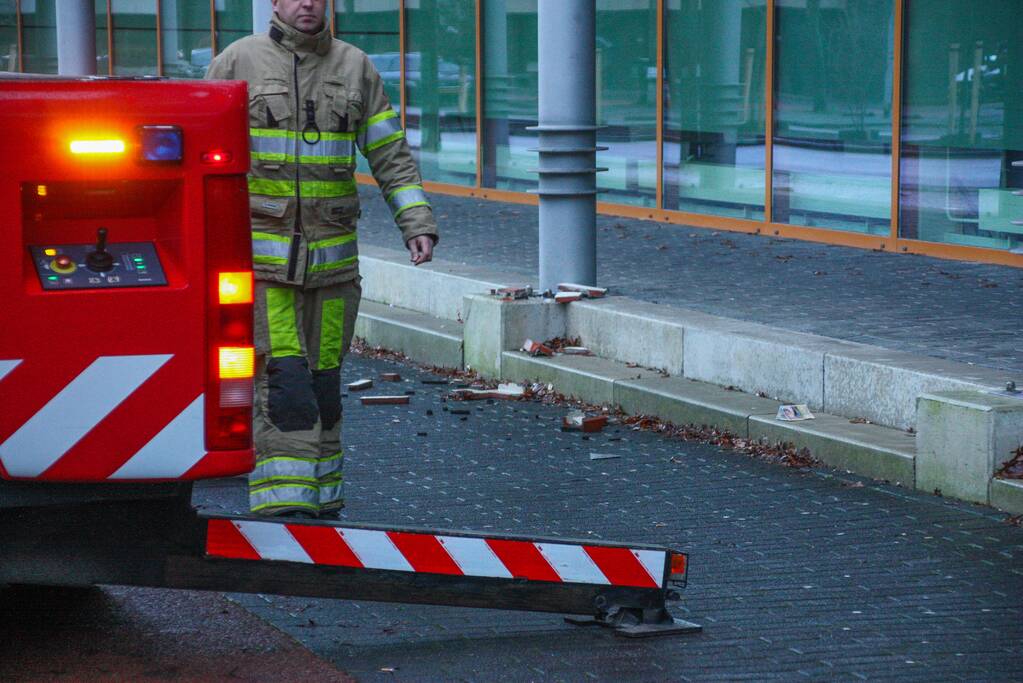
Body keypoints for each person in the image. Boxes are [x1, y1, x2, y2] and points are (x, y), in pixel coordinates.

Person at [206, 0, 438, 518]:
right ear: (274, 3)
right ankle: (283, 503)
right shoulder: (237, 62)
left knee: (324, 380)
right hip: (265, 269)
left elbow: (391, 157)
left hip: (333, 269)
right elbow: (207, 159)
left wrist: (417, 224)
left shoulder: (355, 66)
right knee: (282, 376)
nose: (307, 3)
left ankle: (322, 496)